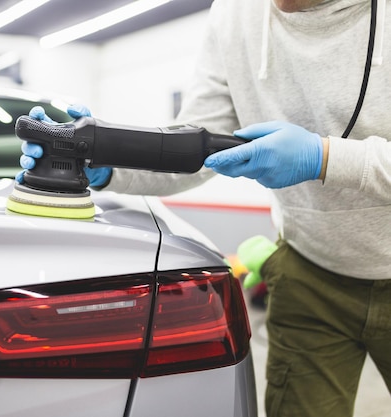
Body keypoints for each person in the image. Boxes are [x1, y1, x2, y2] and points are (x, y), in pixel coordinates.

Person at [19, 0, 391, 416]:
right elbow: (193, 149)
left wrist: (326, 158)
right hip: (309, 270)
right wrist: (111, 160)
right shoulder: (235, 13)